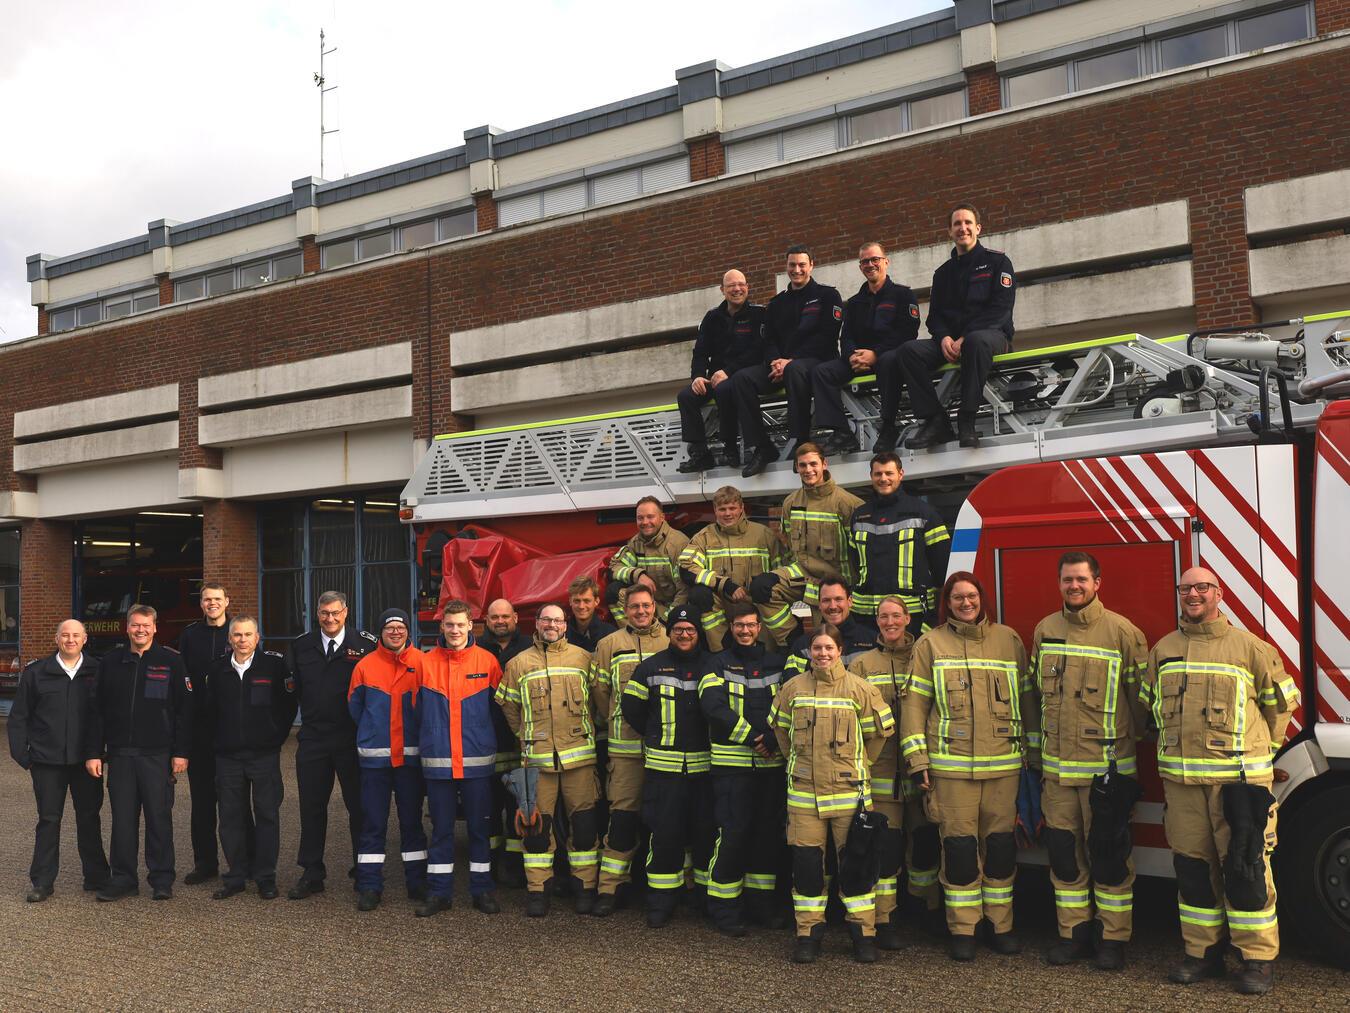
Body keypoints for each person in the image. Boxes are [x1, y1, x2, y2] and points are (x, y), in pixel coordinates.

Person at [1139, 567, 1298, 996]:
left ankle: (1257, 959)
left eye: (1202, 587)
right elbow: (1147, 709)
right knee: (1192, 871)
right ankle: (1202, 952)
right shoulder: (1164, 650)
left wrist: (1262, 754)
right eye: (1185, 588)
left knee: (1246, 869)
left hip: (1237, 785)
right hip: (1183, 784)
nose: (1193, 594)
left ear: (1218, 594)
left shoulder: (1250, 648)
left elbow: (1280, 706)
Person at [902, 571, 1035, 961]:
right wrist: (917, 760)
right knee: (959, 852)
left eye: (971, 595)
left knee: (1000, 850)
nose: (965, 602)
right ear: (948, 602)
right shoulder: (930, 644)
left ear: (982, 599)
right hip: (951, 771)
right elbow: (914, 706)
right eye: (957, 597)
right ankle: (963, 928)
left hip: (1004, 770)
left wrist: (1035, 756)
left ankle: (1000, 925)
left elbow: (1027, 700)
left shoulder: (1008, 640)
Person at [1031, 552, 1149, 970]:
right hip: (1058, 775)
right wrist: (1036, 756)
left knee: (1110, 857)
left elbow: (1141, 703)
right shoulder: (1046, 630)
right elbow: (1034, 696)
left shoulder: (1122, 633)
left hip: (1106, 774)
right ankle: (1074, 934)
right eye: (1067, 580)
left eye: (1081, 579)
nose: (1073, 586)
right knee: (1064, 857)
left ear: (1098, 582)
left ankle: (1113, 939)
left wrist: (1127, 759)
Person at [769, 623, 894, 964]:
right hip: (804, 796)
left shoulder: (861, 690)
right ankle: (808, 935)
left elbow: (878, 737)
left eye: (829, 648)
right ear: (809, 651)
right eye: (817, 648)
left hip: (848, 795)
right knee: (807, 868)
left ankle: (863, 936)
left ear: (840, 651)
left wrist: (858, 765)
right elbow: (780, 730)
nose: (822, 653)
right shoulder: (792, 688)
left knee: (856, 868)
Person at [496, 603, 601, 917]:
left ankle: (584, 889)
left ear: (565, 625)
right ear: (537, 624)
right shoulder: (518, 664)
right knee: (536, 830)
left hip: (579, 761)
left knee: (583, 828)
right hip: (537, 763)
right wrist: (527, 736)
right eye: (546, 619)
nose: (551, 625)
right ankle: (538, 892)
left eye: (557, 620)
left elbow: (599, 703)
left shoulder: (584, 659)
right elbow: (509, 708)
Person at [849, 596, 941, 947]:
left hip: (923, 770)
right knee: (885, 850)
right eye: (883, 616)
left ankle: (924, 909)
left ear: (907, 618)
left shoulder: (924, 655)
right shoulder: (862, 664)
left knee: (925, 847)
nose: (890, 622)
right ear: (876, 621)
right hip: (883, 772)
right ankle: (885, 919)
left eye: (896, 616)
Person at [84, 604, 193, 901]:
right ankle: (123, 879)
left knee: (159, 819)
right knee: (122, 821)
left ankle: (161, 879)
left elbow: (184, 711)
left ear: (155, 627)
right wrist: (95, 752)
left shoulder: (171, 661)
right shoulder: (110, 662)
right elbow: (97, 712)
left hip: (157, 755)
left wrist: (181, 752)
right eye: (135, 625)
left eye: (146, 625)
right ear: (127, 628)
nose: (140, 630)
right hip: (120, 756)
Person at [621, 605, 715, 928]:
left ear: (698, 633)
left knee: (704, 836)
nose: (684, 635)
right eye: (678, 630)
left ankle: (703, 898)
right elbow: (631, 708)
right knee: (664, 837)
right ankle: (661, 902)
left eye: (690, 630)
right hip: (664, 772)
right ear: (669, 632)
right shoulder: (651, 667)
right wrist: (655, 733)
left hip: (704, 771)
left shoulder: (711, 666)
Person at [698, 602, 788, 935]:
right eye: (739, 625)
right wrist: (754, 738)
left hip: (770, 767)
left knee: (766, 837)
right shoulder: (716, 663)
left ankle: (760, 907)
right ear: (730, 627)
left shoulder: (778, 663)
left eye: (751, 625)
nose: (745, 631)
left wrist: (775, 738)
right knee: (732, 837)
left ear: (760, 626)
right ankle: (724, 909)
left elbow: (789, 702)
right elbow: (713, 707)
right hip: (731, 769)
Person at [900, 204, 1016, 450]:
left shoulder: (998, 262)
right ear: (949, 232)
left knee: (975, 341)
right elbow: (934, 318)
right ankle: (935, 420)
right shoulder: (942, 274)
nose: (962, 228)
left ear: (978, 228)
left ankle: (967, 420)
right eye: (957, 224)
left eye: (967, 223)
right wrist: (943, 338)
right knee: (908, 351)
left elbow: (1001, 308)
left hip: (992, 337)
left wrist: (965, 337)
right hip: (951, 343)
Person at [8, 620, 108, 901]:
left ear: (85, 639)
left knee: (89, 818)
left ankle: (97, 877)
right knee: (49, 820)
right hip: (46, 762)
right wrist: (23, 756)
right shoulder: (37, 673)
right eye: (65, 635)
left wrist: (101, 752)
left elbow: (105, 716)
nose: (70, 639)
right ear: (56, 638)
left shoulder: (97, 671)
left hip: (86, 761)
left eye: (76, 635)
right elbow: (19, 717)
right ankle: (42, 882)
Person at [287, 591, 376, 900]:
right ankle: (312, 872)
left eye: (335, 612)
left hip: (351, 738)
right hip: (313, 738)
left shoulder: (365, 645)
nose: (330, 618)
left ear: (346, 612)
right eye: (324, 613)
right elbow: (291, 692)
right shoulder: (302, 646)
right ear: (318, 614)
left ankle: (362, 869)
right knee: (311, 808)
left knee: (359, 807)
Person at [417, 600, 503, 917]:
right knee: (441, 830)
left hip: (476, 762)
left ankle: (482, 890)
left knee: (480, 829)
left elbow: (499, 711)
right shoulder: (425, 663)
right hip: (438, 761)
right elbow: (415, 712)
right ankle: (439, 893)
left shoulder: (488, 662)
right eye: (449, 624)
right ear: (441, 626)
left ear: (471, 626)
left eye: (460, 624)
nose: (455, 630)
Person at [589, 584, 669, 916]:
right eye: (634, 606)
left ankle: (662, 890)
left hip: (664, 749)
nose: (641, 612)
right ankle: (610, 888)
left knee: (665, 821)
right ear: (625, 610)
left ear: (655, 608)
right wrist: (618, 719)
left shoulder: (669, 641)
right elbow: (600, 691)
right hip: (625, 751)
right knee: (621, 818)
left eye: (646, 606)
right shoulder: (609, 645)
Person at [204, 616, 297, 901]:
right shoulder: (217, 670)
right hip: (228, 757)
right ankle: (236, 876)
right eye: (237, 635)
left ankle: (265, 877)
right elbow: (208, 711)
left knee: (267, 815)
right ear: (229, 639)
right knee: (231, 818)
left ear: (257, 638)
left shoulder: (274, 666)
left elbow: (288, 706)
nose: (242, 640)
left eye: (248, 635)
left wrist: (274, 737)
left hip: (263, 756)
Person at [734, 246, 844, 477]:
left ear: (811, 265)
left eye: (802, 265)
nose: (797, 270)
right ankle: (762, 448)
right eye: (792, 265)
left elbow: (827, 337)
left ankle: (800, 441)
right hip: (781, 366)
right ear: (786, 267)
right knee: (742, 379)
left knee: (794, 369)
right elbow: (769, 340)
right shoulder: (776, 304)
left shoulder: (827, 296)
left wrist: (790, 361)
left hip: (816, 361)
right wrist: (775, 361)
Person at [347, 609, 428, 911]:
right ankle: (369, 885)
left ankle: (417, 882)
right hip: (375, 762)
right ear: (380, 632)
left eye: (401, 627)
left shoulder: (422, 663)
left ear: (408, 631)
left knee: (412, 823)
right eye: (389, 627)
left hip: (409, 761)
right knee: (372, 824)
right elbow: (355, 709)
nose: (395, 632)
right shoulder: (365, 666)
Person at [813, 242, 920, 455]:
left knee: (889, 361)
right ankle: (842, 432)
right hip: (858, 359)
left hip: (886, 357)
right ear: (860, 267)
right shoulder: (854, 303)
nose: (870, 264)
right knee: (821, 372)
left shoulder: (903, 295)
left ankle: (888, 427)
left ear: (886, 262)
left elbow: (907, 332)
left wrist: (875, 354)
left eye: (875, 260)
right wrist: (853, 356)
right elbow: (847, 335)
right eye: (865, 261)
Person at [177, 581, 249, 887]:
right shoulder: (191, 635)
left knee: (236, 804)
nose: (212, 604)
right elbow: (183, 680)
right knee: (202, 803)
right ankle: (205, 863)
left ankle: (243, 864)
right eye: (207, 599)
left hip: (232, 731)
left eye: (217, 599)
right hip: (200, 732)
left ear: (227, 601)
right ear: (202, 604)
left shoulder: (239, 631)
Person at [751, 443, 861, 620]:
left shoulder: (847, 503)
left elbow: (859, 554)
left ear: (824, 464)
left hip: (837, 583)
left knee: (829, 638)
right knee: (761, 587)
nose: (808, 470)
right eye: (802, 465)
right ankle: (791, 638)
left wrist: (852, 590)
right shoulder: (790, 503)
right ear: (796, 467)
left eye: (813, 464)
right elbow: (788, 544)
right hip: (803, 576)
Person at [678, 485, 794, 651]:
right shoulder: (705, 537)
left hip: (757, 608)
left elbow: (781, 570)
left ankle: (777, 649)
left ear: (741, 508)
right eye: (722, 509)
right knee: (699, 594)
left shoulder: (764, 534)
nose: (727, 513)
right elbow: (686, 567)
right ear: (715, 510)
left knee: (765, 653)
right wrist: (724, 584)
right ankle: (719, 652)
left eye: (732, 508)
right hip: (721, 610)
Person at [677, 269, 766, 472]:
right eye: (731, 286)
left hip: (742, 376)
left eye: (741, 284)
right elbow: (700, 352)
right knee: (686, 396)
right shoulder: (712, 318)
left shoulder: (759, 315)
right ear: (722, 290)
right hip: (714, 378)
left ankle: (730, 448)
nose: (737, 289)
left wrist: (728, 371)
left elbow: (758, 352)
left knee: (724, 389)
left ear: (747, 287)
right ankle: (700, 453)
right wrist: (698, 376)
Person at [849, 452, 950, 627]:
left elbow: (943, 569)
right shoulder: (859, 516)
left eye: (889, 473)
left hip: (912, 617)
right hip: (866, 619)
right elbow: (854, 564)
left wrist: (934, 618)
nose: (883, 478)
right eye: (878, 474)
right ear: (871, 476)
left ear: (900, 474)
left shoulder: (924, 513)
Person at [479, 597, 529, 882]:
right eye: (494, 617)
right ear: (487, 620)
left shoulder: (528, 650)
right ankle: (490, 869)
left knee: (517, 808)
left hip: (517, 743)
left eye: (505, 616)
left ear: (515, 618)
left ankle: (514, 868)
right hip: (485, 744)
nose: (500, 621)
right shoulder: (477, 651)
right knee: (487, 811)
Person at [608, 496, 690, 624]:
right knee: (613, 592)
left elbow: (684, 591)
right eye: (640, 518)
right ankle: (633, 635)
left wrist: (669, 620)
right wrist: (638, 575)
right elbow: (615, 567)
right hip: (647, 606)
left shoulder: (678, 544)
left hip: (672, 609)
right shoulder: (636, 543)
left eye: (650, 517)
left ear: (662, 517)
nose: (645, 522)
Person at [783, 577, 876, 675]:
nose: (832, 606)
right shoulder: (802, 647)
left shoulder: (872, 642)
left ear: (850, 601)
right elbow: (791, 686)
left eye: (838, 599)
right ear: (819, 604)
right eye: (826, 600)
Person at [566, 575, 617, 653]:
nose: (581, 606)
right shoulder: (562, 634)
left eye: (586, 601)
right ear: (570, 601)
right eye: (577, 601)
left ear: (596, 601)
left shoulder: (610, 634)